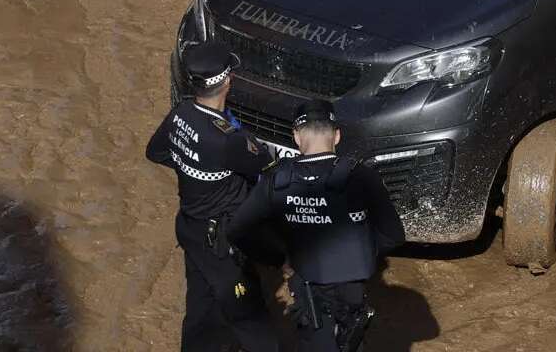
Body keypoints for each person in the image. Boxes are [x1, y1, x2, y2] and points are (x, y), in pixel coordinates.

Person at [229, 101, 403, 352]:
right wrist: (361, 253)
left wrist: (280, 259)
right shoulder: (361, 176)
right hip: (351, 289)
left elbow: (238, 230)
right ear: (337, 135)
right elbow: (393, 234)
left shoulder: (275, 179)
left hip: (307, 289)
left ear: (297, 137)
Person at [144, 40, 279, 352]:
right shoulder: (228, 140)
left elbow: (155, 152)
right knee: (250, 317)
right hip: (222, 242)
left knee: (201, 308)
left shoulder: (180, 113)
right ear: (226, 82)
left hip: (191, 226)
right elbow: (269, 172)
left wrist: (189, 166)